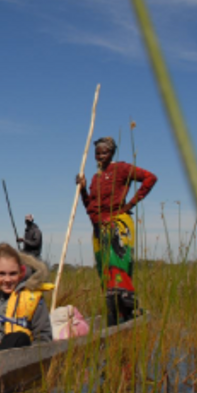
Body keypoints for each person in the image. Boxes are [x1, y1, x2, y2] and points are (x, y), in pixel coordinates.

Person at [76, 136, 157, 326]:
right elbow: (91, 207)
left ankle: (128, 308)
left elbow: (150, 178)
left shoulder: (121, 169)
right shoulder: (95, 178)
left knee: (116, 264)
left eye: (104, 153)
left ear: (112, 153)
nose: (100, 156)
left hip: (117, 224)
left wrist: (130, 204)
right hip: (99, 228)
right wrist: (82, 190)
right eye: (97, 153)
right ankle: (117, 314)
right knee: (104, 270)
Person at [0, 243, 53, 354]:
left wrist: (0, 345)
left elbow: (44, 338)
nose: (7, 280)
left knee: (20, 337)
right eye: (1, 274)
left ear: (21, 272)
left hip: (17, 353)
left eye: (13, 274)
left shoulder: (33, 298)